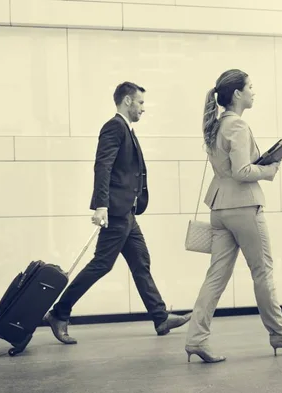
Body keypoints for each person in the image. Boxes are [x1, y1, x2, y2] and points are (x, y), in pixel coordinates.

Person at [43, 82, 191, 344]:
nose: (143, 108)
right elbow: (103, 166)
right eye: (141, 103)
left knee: (140, 262)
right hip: (116, 211)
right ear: (127, 101)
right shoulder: (114, 127)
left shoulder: (126, 129)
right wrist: (101, 205)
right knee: (101, 264)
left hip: (128, 212)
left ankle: (160, 317)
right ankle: (59, 312)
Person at [183, 69, 282, 363]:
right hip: (244, 208)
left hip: (219, 209)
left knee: (215, 278)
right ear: (237, 94)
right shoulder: (237, 126)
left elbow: (228, 169)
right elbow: (242, 172)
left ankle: (196, 339)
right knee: (263, 273)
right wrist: (268, 170)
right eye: (250, 87)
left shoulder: (216, 126)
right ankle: (279, 334)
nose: (254, 91)